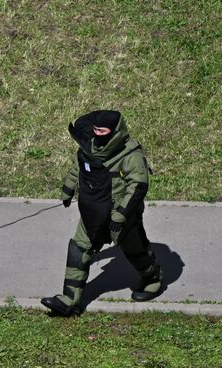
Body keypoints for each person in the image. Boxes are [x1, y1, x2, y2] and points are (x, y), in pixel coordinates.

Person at [41, 110, 163, 316]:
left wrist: (121, 214)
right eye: (96, 129)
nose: (98, 133)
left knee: (135, 251)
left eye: (103, 130)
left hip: (120, 216)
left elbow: (138, 186)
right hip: (93, 210)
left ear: (115, 131)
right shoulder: (90, 146)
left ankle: (153, 279)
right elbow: (79, 167)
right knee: (79, 250)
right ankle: (69, 299)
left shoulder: (130, 155)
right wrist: (68, 188)